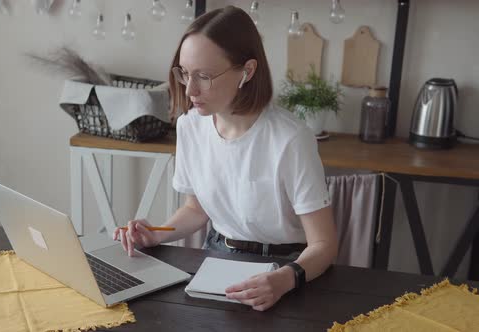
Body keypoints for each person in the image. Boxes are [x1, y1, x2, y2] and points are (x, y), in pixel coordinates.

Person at [113, 5, 338, 311]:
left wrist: (284, 279)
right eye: (184, 74)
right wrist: (157, 233)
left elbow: (324, 246)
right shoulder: (190, 126)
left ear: (247, 71)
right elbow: (196, 209)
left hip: (285, 265)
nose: (190, 89)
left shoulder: (290, 139)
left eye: (204, 76)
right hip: (217, 255)